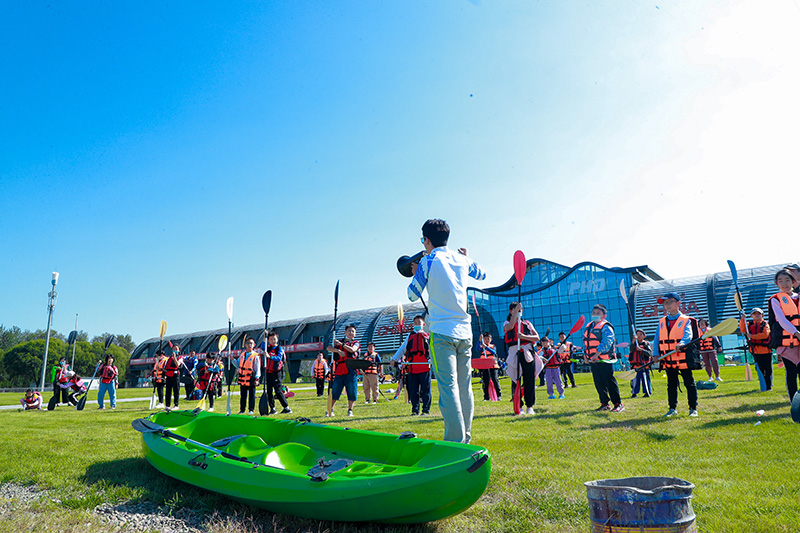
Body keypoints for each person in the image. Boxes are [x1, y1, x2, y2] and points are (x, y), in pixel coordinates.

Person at [407, 219, 486, 442]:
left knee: (448, 388)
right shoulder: (462, 259)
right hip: (465, 331)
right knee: (464, 387)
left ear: (427, 240)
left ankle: (454, 441)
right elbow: (482, 274)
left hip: (442, 331)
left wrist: (417, 273)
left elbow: (412, 295)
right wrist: (468, 257)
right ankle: (466, 438)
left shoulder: (427, 261)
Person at [653, 292, 697, 417]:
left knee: (689, 383)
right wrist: (655, 353)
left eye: (670, 302)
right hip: (668, 358)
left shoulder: (685, 320)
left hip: (682, 358)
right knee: (671, 385)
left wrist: (682, 343)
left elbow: (688, 334)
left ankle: (693, 409)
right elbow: (657, 339)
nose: (667, 305)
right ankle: (672, 409)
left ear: (678, 303)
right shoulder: (662, 322)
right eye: (665, 303)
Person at [584, 304, 624, 413]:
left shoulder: (606, 327)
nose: (595, 315)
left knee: (609, 381)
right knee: (598, 382)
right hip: (594, 360)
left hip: (604, 359)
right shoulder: (589, 327)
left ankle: (618, 404)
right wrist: (586, 356)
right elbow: (586, 342)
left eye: (598, 313)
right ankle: (604, 403)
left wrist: (596, 354)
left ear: (604, 315)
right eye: (594, 313)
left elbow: (607, 342)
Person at [768, 269, 800, 401]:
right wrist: (796, 333)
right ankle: (794, 403)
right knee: (791, 372)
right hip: (787, 343)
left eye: (787, 280)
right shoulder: (775, 299)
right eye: (780, 281)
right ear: (777, 284)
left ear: (793, 282)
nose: (784, 283)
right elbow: (781, 319)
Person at [504, 302, 540, 416]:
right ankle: (518, 405)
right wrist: (515, 312)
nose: (519, 311)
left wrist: (524, 337)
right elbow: (510, 327)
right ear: (510, 311)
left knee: (529, 379)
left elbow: (537, 337)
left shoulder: (527, 323)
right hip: (515, 352)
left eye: (520, 310)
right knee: (516, 379)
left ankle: (530, 406)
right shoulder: (507, 323)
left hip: (527, 351)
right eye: (516, 310)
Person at [393, 315, 432, 415]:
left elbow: (432, 350)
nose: (417, 325)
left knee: (425, 390)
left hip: (424, 367)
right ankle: (415, 410)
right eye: (415, 323)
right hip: (412, 368)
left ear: (423, 325)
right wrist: (394, 359)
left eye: (419, 323)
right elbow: (402, 348)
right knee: (413, 391)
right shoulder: (410, 336)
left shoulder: (427, 336)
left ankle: (426, 410)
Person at [327, 324, 360, 417]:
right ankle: (330, 409)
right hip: (340, 369)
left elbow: (352, 350)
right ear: (345, 332)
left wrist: (342, 345)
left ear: (355, 334)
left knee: (351, 389)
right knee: (335, 389)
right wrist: (338, 350)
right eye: (349, 331)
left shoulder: (356, 343)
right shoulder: (338, 342)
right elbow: (328, 348)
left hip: (351, 368)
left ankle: (350, 410)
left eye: (353, 331)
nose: (351, 333)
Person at [263, 330, 292, 415]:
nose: (273, 341)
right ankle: (272, 408)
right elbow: (262, 346)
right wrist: (264, 337)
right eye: (271, 339)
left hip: (277, 372)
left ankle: (286, 407)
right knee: (269, 391)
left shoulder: (279, 349)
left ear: (277, 339)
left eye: (274, 339)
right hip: (269, 372)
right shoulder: (267, 348)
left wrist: (269, 356)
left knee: (278, 390)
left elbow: (279, 358)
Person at [745, 308, 772, 391]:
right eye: (755, 314)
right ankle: (763, 385)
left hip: (766, 351)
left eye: (758, 314)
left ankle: (768, 386)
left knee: (767, 369)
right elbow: (743, 328)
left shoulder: (765, 324)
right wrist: (742, 319)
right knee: (760, 369)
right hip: (755, 351)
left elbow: (765, 335)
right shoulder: (748, 324)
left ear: (762, 315)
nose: (757, 315)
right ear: (751, 316)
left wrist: (752, 336)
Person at [233, 338, 261, 415]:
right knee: (243, 395)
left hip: (251, 377)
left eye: (251, 343)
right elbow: (237, 364)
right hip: (243, 378)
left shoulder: (255, 356)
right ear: (245, 344)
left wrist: (257, 378)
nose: (249, 345)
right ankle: (242, 409)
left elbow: (257, 368)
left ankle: (251, 410)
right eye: (248, 343)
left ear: (254, 345)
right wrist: (232, 359)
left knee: (251, 394)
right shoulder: (242, 355)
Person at [628, 329, 653, 398]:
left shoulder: (646, 344)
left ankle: (647, 392)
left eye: (640, 334)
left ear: (644, 336)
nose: (639, 336)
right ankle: (634, 393)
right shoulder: (633, 344)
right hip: (636, 366)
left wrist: (641, 350)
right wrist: (633, 342)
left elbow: (649, 353)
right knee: (635, 380)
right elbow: (631, 350)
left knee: (645, 379)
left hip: (644, 365)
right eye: (637, 334)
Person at [477, 333, 501, 401]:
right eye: (485, 339)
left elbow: (494, 352)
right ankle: (486, 397)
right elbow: (477, 349)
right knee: (485, 381)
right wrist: (479, 341)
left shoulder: (493, 346)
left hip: (492, 366)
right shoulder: (481, 347)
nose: (487, 340)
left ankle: (498, 395)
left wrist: (486, 347)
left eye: (488, 339)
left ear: (491, 339)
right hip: (484, 366)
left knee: (495, 380)